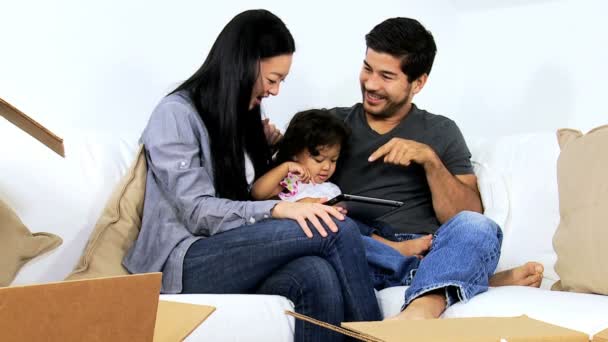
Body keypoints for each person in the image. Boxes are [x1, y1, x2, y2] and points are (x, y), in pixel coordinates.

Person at [122, 9, 380, 341]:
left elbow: (249, 192)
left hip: (230, 253)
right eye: (272, 80)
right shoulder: (175, 114)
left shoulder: (241, 119)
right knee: (334, 228)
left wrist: (273, 151)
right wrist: (276, 210)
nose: (275, 91)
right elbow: (199, 212)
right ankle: (381, 337)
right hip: (184, 261)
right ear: (242, 65)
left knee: (317, 276)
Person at [327, 17, 544, 320]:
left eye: (387, 76)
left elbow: (465, 214)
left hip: (428, 245)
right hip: (361, 246)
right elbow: (289, 190)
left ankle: (420, 310)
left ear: (418, 83)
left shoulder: (441, 131)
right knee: (323, 234)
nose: (371, 84)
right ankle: (459, 280)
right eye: (367, 68)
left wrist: (430, 160)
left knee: (478, 228)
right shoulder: (330, 126)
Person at [252, 108, 434, 258]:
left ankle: (392, 250)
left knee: (365, 226)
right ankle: (394, 250)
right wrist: (285, 168)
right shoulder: (292, 179)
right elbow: (258, 193)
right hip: (311, 233)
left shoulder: (329, 188)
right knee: (349, 232)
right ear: (295, 152)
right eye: (318, 159)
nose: (326, 167)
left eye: (333, 160)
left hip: (345, 230)